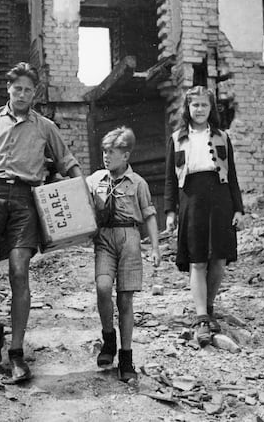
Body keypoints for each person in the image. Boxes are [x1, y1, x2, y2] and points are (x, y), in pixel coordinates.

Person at [0, 62, 82, 383]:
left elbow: (69, 164)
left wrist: (84, 199)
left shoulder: (45, 127)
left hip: (26, 203)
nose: (22, 94)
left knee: (19, 271)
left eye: (28, 90)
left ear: (35, 93)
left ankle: (17, 352)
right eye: (18, 88)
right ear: (8, 89)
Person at [164, 85, 244, 347]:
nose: (199, 109)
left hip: (220, 199)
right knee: (198, 261)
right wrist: (171, 211)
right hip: (191, 199)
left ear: (211, 109)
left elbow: (231, 175)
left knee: (218, 260)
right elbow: (168, 179)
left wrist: (238, 208)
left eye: (204, 105)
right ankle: (200, 318)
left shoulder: (222, 137)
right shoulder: (177, 138)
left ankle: (208, 308)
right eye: (195, 105)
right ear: (187, 108)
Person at [86, 126, 161, 382]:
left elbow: (150, 215)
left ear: (126, 156)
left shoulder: (138, 183)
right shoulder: (95, 180)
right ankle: (109, 339)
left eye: (112, 152)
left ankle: (126, 357)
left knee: (125, 300)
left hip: (129, 238)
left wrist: (154, 247)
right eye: (104, 151)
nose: (107, 156)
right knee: (103, 287)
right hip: (104, 239)